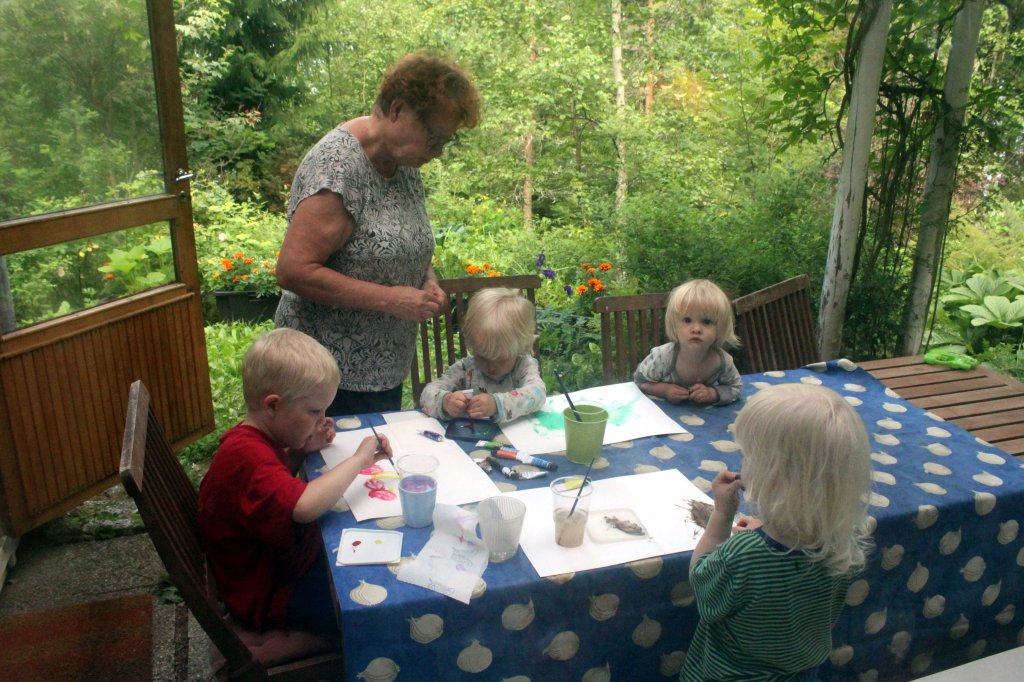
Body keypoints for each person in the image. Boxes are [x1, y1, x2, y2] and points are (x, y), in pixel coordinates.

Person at [275, 51, 482, 417]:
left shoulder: (402, 162)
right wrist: (391, 300)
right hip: (321, 379)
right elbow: (293, 270)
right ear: (397, 110)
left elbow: (399, 244)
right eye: (433, 137)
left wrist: (426, 279)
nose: (437, 151)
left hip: (382, 370)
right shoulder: (336, 168)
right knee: (332, 471)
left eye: (445, 142)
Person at [198, 328, 393, 634]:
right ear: (272, 406)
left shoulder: (251, 441)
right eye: (314, 411)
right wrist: (359, 460)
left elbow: (270, 490)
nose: (322, 420)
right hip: (272, 593)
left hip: (275, 568)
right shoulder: (247, 457)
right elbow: (303, 507)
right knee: (382, 607)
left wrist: (300, 453)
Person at [680, 383, 873, 681]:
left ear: (774, 476)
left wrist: (721, 514)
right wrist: (768, 530)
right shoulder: (841, 540)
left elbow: (703, 588)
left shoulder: (745, 554)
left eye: (750, 457)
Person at [420, 287, 546, 423]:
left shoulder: (523, 365)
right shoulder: (466, 368)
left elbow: (538, 394)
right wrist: (446, 401)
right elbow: (427, 394)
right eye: (482, 356)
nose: (491, 367)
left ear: (520, 346)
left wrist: (496, 404)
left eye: (502, 358)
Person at [634, 279, 742, 405]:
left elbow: (736, 388)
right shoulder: (662, 357)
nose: (696, 329)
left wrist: (712, 393)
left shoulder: (723, 362)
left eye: (706, 322)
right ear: (674, 324)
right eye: (687, 320)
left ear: (720, 328)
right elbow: (639, 381)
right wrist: (664, 390)